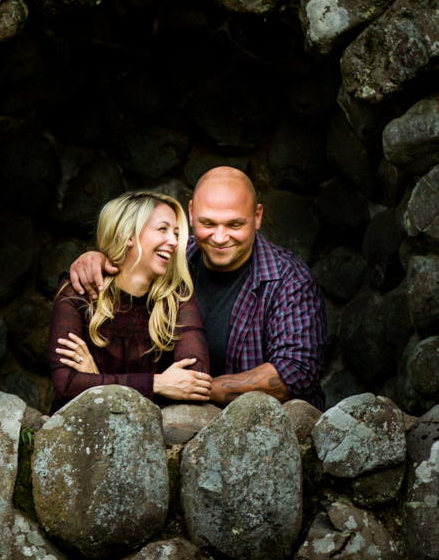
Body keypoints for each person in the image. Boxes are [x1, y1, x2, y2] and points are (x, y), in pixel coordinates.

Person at [68, 166, 328, 409]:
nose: (219, 237)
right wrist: (98, 258)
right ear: (191, 213)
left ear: (257, 216)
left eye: (234, 225)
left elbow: (295, 374)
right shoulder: (172, 257)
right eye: (208, 223)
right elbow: (130, 257)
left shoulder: (290, 280)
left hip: (264, 439)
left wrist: (184, 388)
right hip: (171, 429)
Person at [48, 190, 214, 408]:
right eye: (162, 229)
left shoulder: (177, 297)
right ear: (127, 235)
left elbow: (196, 380)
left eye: (175, 233)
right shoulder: (78, 291)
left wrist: (97, 385)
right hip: (81, 434)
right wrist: (158, 385)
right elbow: (66, 385)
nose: (174, 241)